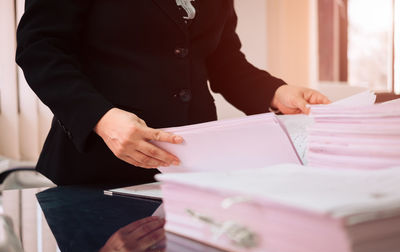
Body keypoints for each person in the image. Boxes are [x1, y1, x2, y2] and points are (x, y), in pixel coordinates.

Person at [16, 0, 330, 186]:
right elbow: (41, 50)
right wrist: (101, 119)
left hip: (195, 168)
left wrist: (277, 92)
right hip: (97, 169)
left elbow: (223, 60)